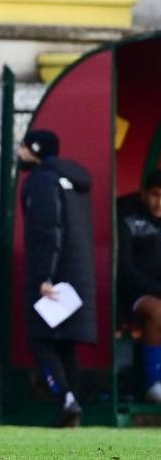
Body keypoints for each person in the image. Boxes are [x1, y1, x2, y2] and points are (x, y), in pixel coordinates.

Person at [17, 129, 97, 427]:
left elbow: (46, 231)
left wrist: (44, 276)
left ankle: (65, 398)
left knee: (41, 339)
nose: (20, 153)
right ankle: (71, 404)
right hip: (78, 275)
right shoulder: (73, 181)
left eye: (24, 148)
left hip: (54, 277)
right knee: (65, 344)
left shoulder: (42, 180)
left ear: (35, 149)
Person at [117, 169, 161, 403]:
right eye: (155, 194)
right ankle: (154, 384)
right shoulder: (129, 221)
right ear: (144, 194)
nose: (159, 202)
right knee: (157, 310)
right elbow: (125, 270)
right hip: (134, 296)